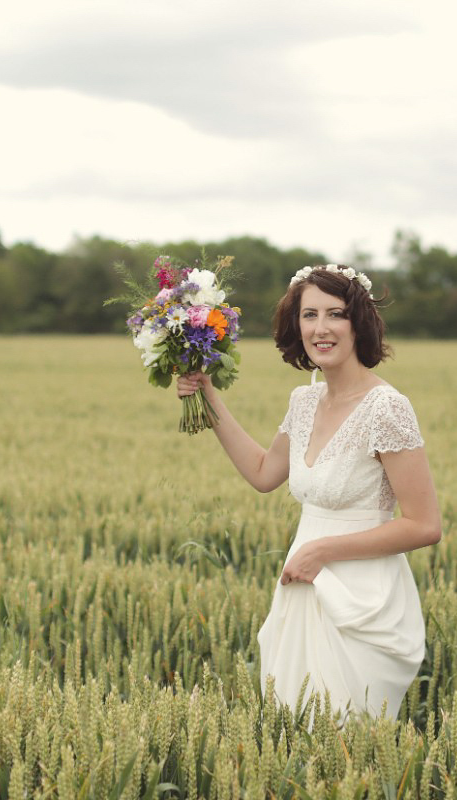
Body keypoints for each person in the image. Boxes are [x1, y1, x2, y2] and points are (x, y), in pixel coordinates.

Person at [177, 263, 441, 720]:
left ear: (358, 322)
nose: (321, 328)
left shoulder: (387, 408)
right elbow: (263, 473)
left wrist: (322, 552)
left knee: (347, 740)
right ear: (295, 326)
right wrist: (209, 395)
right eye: (308, 315)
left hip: (362, 600)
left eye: (335, 314)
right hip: (301, 588)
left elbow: (425, 525)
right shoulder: (304, 401)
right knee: (292, 732)